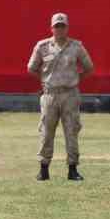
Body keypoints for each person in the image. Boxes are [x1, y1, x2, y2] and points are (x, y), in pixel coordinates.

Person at [26, 12, 94, 181]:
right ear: (52, 28)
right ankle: (43, 169)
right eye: (57, 26)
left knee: (72, 131)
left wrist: (75, 80)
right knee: (46, 131)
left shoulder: (76, 47)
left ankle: (72, 169)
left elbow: (89, 67)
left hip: (70, 95)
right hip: (50, 96)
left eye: (62, 26)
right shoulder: (42, 47)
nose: (60, 29)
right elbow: (31, 68)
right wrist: (45, 81)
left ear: (67, 28)